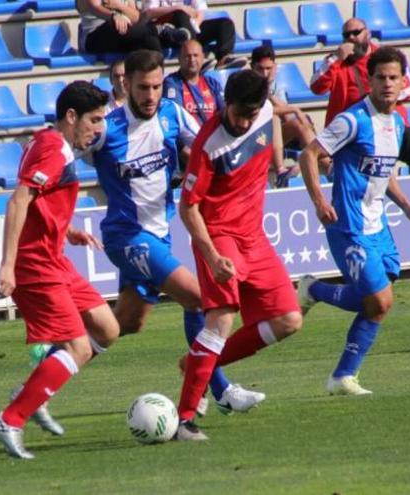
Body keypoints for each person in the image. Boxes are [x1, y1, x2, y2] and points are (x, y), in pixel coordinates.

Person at [94, 49, 265, 421]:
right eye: (143, 87)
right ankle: (219, 389)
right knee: (202, 301)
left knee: (126, 323)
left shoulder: (172, 114)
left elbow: (204, 140)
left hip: (159, 235)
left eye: (156, 86)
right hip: (127, 237)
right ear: (126, 84)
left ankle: (60, 352)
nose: (151, 95)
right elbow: (69, 149)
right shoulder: (106, 129)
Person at [0, 81, 120, 460]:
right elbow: (18, 202)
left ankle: (34, 390)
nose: (98, 129)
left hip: (54, 256)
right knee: (78, 346)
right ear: (71, 117)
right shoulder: (52, 149)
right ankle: (10, 418)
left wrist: (68, 229)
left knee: (107, 329)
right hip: (35, 263)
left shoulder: (53, 145)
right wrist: (8, 266)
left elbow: (41, 201)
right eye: (94, 120)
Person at [174, 69, 303, 440]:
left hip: (254, 237)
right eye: (239, 114)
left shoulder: (264, 111)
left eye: (251, 114)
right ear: (224, 103)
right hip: (220, 238)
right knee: (221, 320)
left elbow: (280, 116)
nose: (245, 122)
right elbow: (188, 209)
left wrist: (306, 138)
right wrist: (213, 257)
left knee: (288, 320)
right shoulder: (208, 144)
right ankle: (184, 419)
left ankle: (196, 362)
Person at [297, 46, 410, 396]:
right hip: (348, 226)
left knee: (376, 304)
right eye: (381, 77)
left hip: (379, 228)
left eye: (393, 78)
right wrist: (319, 201)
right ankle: (314, 291)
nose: (387, 84)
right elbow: (309, 155)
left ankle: (342, 376)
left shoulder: (397, 122)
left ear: (403, 82)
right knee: (380, 300)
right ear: (368, 80)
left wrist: (406, 206)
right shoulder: (352, 120)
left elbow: (384, 175)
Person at [309, 18, 410, 173]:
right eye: (346, 35)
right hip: (355, 130)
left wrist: (382, 96)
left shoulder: (385, 57)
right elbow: (316, 87)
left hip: (389, 123)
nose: (351, 38)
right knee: (367, 179)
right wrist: (337, 58)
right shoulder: (336, 61)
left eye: (356, 33)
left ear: (367, 33)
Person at [250, 45, 330, 187]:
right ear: (252, 68)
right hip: (254, 140)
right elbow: (259, 115)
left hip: (274, 139)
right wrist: (293, 109)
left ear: (274, 67)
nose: (265, 73)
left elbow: (287, 118)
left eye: (269, 68)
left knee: (300, 124)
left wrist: (271, 95)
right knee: (273, 118)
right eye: (260, 69)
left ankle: (327, 164)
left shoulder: (275, 86)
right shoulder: (247, 85)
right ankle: (281, 171)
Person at [142, 0, 244, 70]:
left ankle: (223, 59)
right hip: (168, 33)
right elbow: (149, 13)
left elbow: (201, 12)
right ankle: (198, 61)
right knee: (180, 14)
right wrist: (178, 8)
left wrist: (195, 24)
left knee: (225, 23)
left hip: (191, 30)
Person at [163, 40, 225, 125]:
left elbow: (225, 112)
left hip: (212, 135)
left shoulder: (212, 83)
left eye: (196, 55)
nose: (192, 59)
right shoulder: (172, 83)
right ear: (179, 59)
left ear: (203, 57)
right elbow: (177, 117)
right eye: (187, 56)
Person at [77, 0, 163, 56]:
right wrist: (114, 16)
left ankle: (157, 74)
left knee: (150, 40)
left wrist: (119, 6)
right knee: (114, 24)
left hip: (125, 33)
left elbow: (137, 17)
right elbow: (95, 7)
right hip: (96, 35)